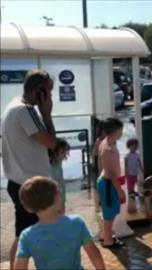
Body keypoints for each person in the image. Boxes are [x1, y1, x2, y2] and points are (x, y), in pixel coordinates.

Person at [1, 69, 57, 269]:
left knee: (23, 232)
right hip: (32, 185)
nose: (51, 97)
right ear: (39, 92)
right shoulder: (26, 111)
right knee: (42, 230)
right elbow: (50, 143)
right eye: (48, 92)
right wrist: (47, 114)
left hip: (18, 181)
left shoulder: (13, 106)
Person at [14, 176, 105, 270]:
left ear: (28, 208)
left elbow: (20, 266)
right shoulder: (76, 223)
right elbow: (92, 251)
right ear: (57, 198)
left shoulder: (27, 236)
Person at [97, 117, 126, 249]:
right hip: (108, 184)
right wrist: (119, 190)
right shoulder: (108, 148)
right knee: (109, 213)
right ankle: (108, 241)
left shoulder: (108, 142)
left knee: (110, 211)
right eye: (121, 130)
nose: (122, 133)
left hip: (107, 182)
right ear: (116, 131)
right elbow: (111, 172)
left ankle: (105, 234)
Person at [50, 138, 71, 213]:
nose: (65, 155)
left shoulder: (59, 162)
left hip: (61, 195)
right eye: (62, 152)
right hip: (53, 197)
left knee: (62, 215)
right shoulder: (48, 166)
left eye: (66, 152)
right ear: (54, 151)